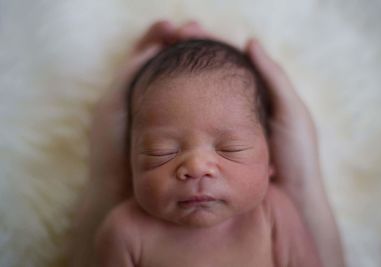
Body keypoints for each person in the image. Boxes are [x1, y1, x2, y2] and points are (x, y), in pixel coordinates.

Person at [68, 21, 345, 267]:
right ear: (129, 162)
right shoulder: (124, 232)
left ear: (271, 159)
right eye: (161, 152)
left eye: (231, 148)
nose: (197, 167)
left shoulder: (274, 213)